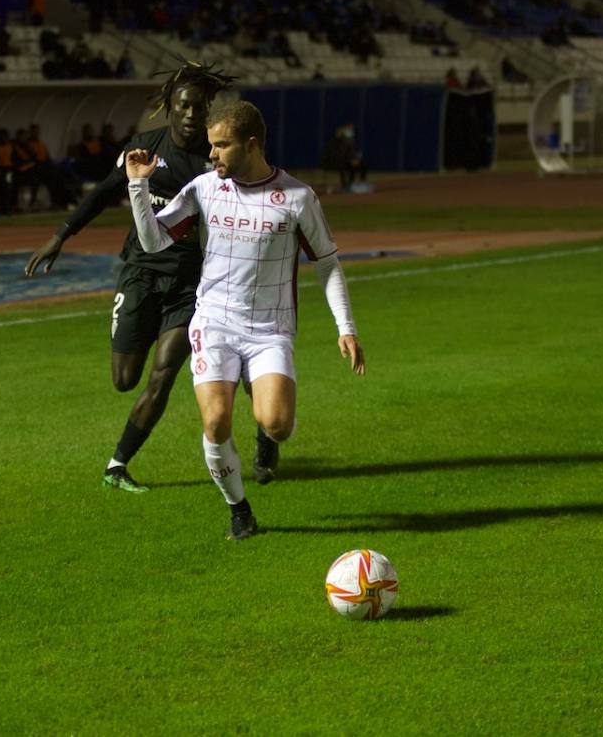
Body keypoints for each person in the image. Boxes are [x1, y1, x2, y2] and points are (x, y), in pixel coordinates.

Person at [124, 100, 366, 540]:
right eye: (211, 145)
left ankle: (267, 437)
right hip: (214, 322)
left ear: (251, 145)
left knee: (277, 423)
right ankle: (240, 510)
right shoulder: (204, 187)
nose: (212, 154)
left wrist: (345, 327)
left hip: (270, 330)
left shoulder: (296, 197)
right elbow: (153, 241)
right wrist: (138, 188)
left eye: (221, 145)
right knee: (216, 421)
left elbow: (327, 262)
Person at [24, 62, 237, 494]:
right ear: (169, 108)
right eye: (183, 105)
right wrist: (61, 235)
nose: (191, 114)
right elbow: (104, 192)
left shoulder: (213, 163)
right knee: (125, 380)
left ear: (207, 109)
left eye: (199, 106)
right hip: (140, 275)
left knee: (164, 374)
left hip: (188, 287)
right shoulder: (144, 148)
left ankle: (117, 464)